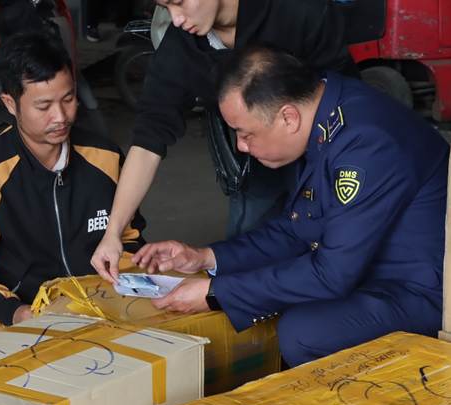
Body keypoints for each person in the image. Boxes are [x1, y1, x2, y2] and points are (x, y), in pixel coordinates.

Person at [132, 46, 449, 367]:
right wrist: (205, 257)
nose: (241, 146)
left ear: (288, 117)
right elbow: (297, 229)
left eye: (245, 133)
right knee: (274, 295)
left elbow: (332, 273)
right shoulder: (326, 112)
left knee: (302, 331)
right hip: (369, 271)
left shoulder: (366, 144)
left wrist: (215, 294)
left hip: (418, 291)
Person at [91, 0, 360, 282]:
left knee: (335, 252)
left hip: (328, 158)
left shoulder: (299, 11)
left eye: (180, 3)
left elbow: (345, 103)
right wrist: (113, 232)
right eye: (166, 7)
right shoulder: (181, 44)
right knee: (246, 257)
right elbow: (148, 138)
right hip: (258, 167)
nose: (177, 19)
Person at [0, 31, 145, 331]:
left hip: (109, 315)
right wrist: (20, 314)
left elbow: (130, 238)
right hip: (28, 328)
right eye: (44, 106)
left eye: (68, 99)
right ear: (10, 104)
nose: (60, 116)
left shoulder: (106, 158)